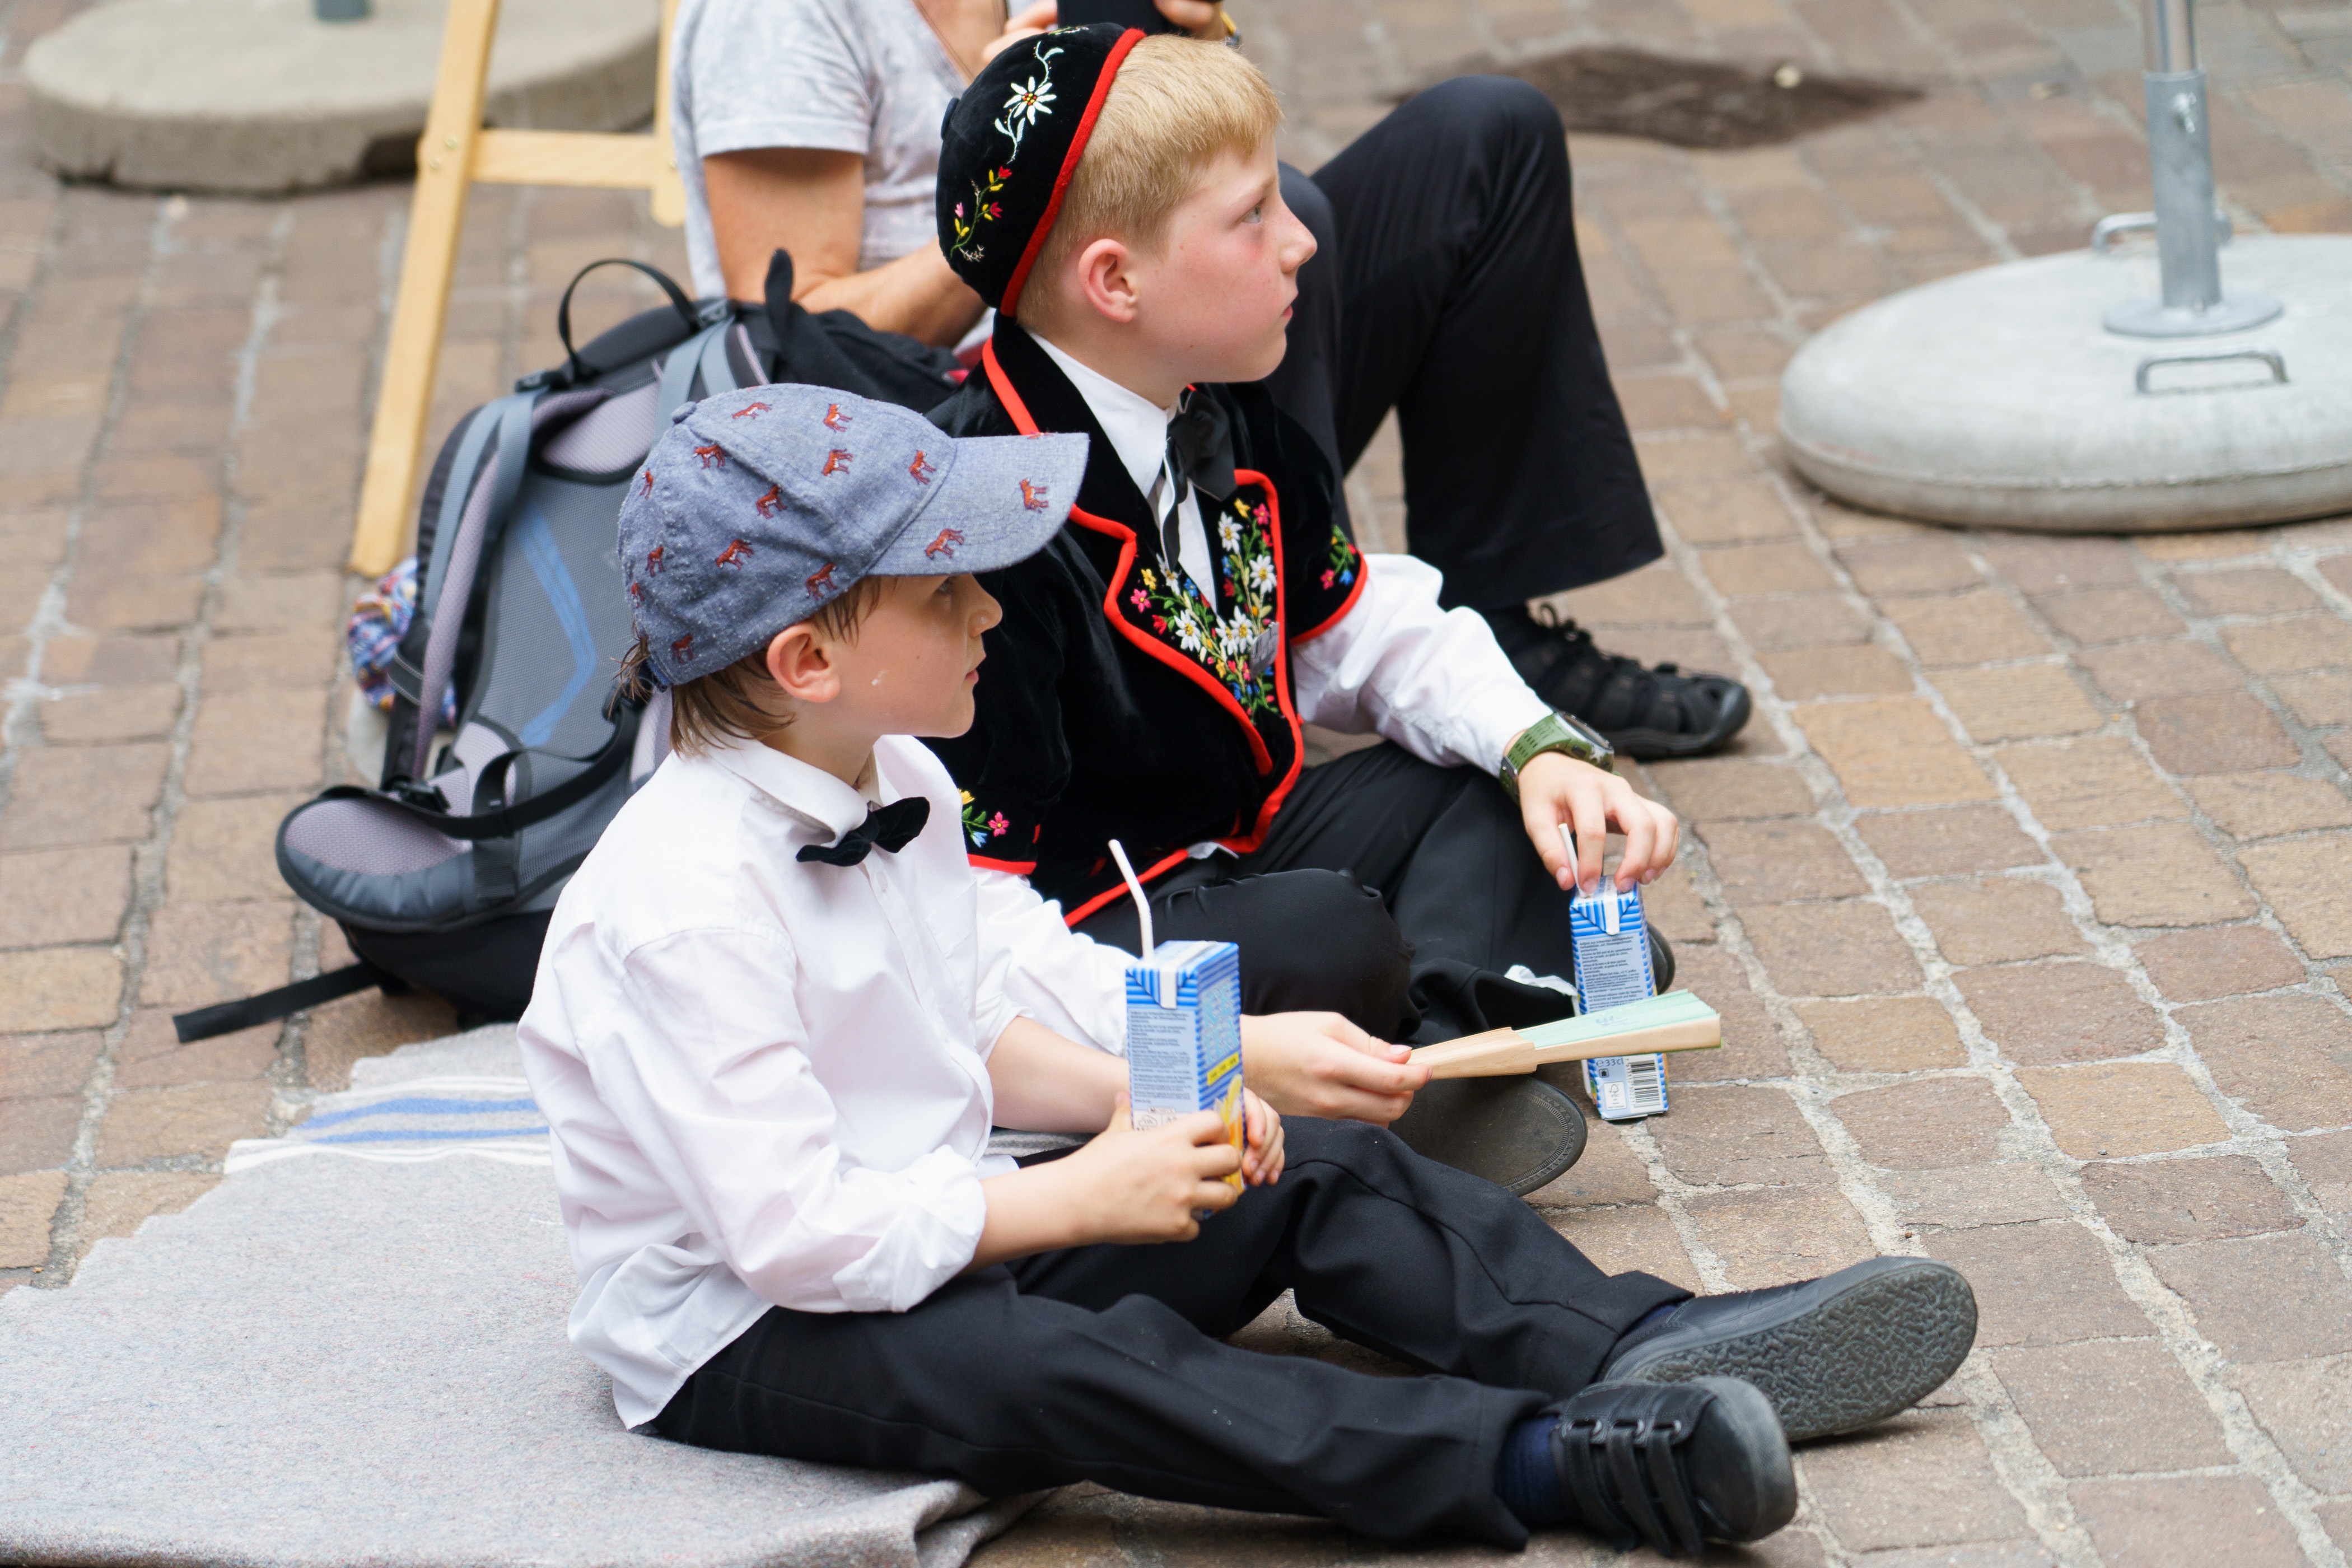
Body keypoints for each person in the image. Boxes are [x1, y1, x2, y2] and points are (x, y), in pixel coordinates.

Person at [515, 381, 1979, 1554]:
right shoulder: (675, 909)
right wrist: (1078, 1194)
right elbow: (794, 1235)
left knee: (1305, 1162)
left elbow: (980, 995)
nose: (990, 610)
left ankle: (1633, 1340)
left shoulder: (893, 764)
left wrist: (1158, 1096)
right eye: (944, 591)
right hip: (758, 1322)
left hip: (947, 1209)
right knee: (1078, 1374)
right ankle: (1539, 1465)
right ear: (804, 663)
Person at [919, 24, 1700, 1194]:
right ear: (1116, 282)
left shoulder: (1222, 402)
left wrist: (1540, 749)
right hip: (1085, 933)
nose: (1300, 244)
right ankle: (1437, 1029)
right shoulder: (984, 521)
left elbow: (1353, 631)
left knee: (1489, 799)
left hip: (1249, 854)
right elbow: (962, 920)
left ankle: (1421, 1053)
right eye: (1252, 218)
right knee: (1327, 938)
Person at [669, 0, 1755, 762]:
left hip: (1130, 355)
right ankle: (1259, 680)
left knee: (1488, 138)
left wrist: (1182, 61)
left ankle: (1480, 626)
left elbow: (1165, 196)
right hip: (953, 435)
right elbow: (793, 331)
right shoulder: (779, 15)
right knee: (1301, 226)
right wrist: (1016, 202)